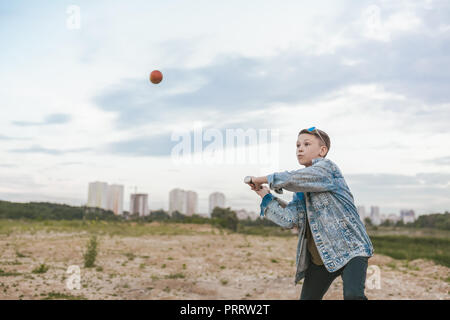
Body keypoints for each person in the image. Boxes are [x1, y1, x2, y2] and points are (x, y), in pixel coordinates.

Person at [246, 127, 374, 300]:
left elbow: (292, 178)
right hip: (322, 258)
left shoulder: (327, 169)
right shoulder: (300, 191)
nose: (300, 148)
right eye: (298, 145)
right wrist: (264, 194)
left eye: (306, 144)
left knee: (353, 296)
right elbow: (290, 219)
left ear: (323, 150)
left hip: (351, 251)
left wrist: (259, 178)